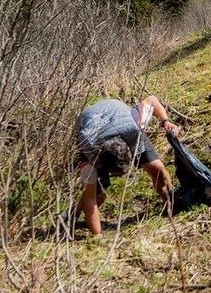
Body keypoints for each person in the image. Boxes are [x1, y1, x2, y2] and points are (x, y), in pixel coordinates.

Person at [71, 95, 180, 236]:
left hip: (119, 118)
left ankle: (171, 204)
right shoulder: (88, 151)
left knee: (156, 168)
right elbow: (90, 198)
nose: (123, 176)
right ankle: (73, 214)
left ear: (130, 149)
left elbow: (152, 100)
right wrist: (97, 237)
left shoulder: (134, 123)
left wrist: (165, 121)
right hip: (89, 126)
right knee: (97, 196)